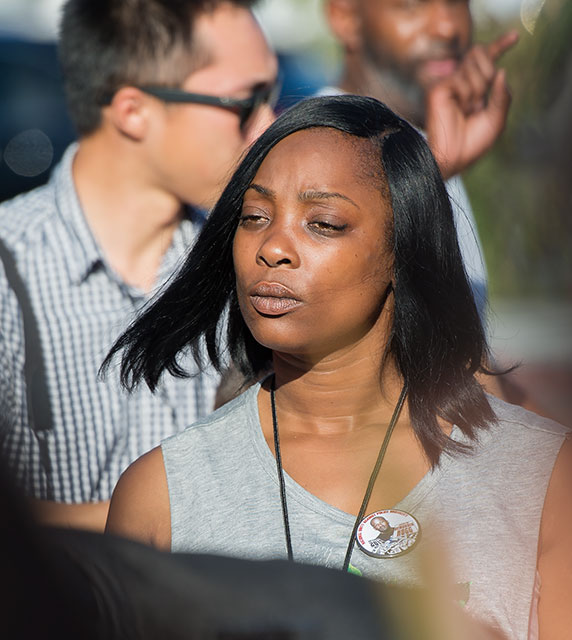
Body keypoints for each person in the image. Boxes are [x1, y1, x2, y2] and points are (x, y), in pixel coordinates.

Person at [105, 96, 571, 639]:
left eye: (323, 223)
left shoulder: (543, 478)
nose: (273, 247)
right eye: (254, 217)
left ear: (404, 249)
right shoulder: (161, 494)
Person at [0, 0, 278, 531]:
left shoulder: (258, 257)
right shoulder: (9, 273)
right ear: (133, 112)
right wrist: (169, 524)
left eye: (274, 97)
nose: (269, 126)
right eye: (246, 103)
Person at [322, 0, 519, 322]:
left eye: (458, 3)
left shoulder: (430, 145)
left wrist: (436, 167)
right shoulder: (310, 148)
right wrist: (428, 175)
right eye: (413, 5)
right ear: (345, 16)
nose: (448, 28)